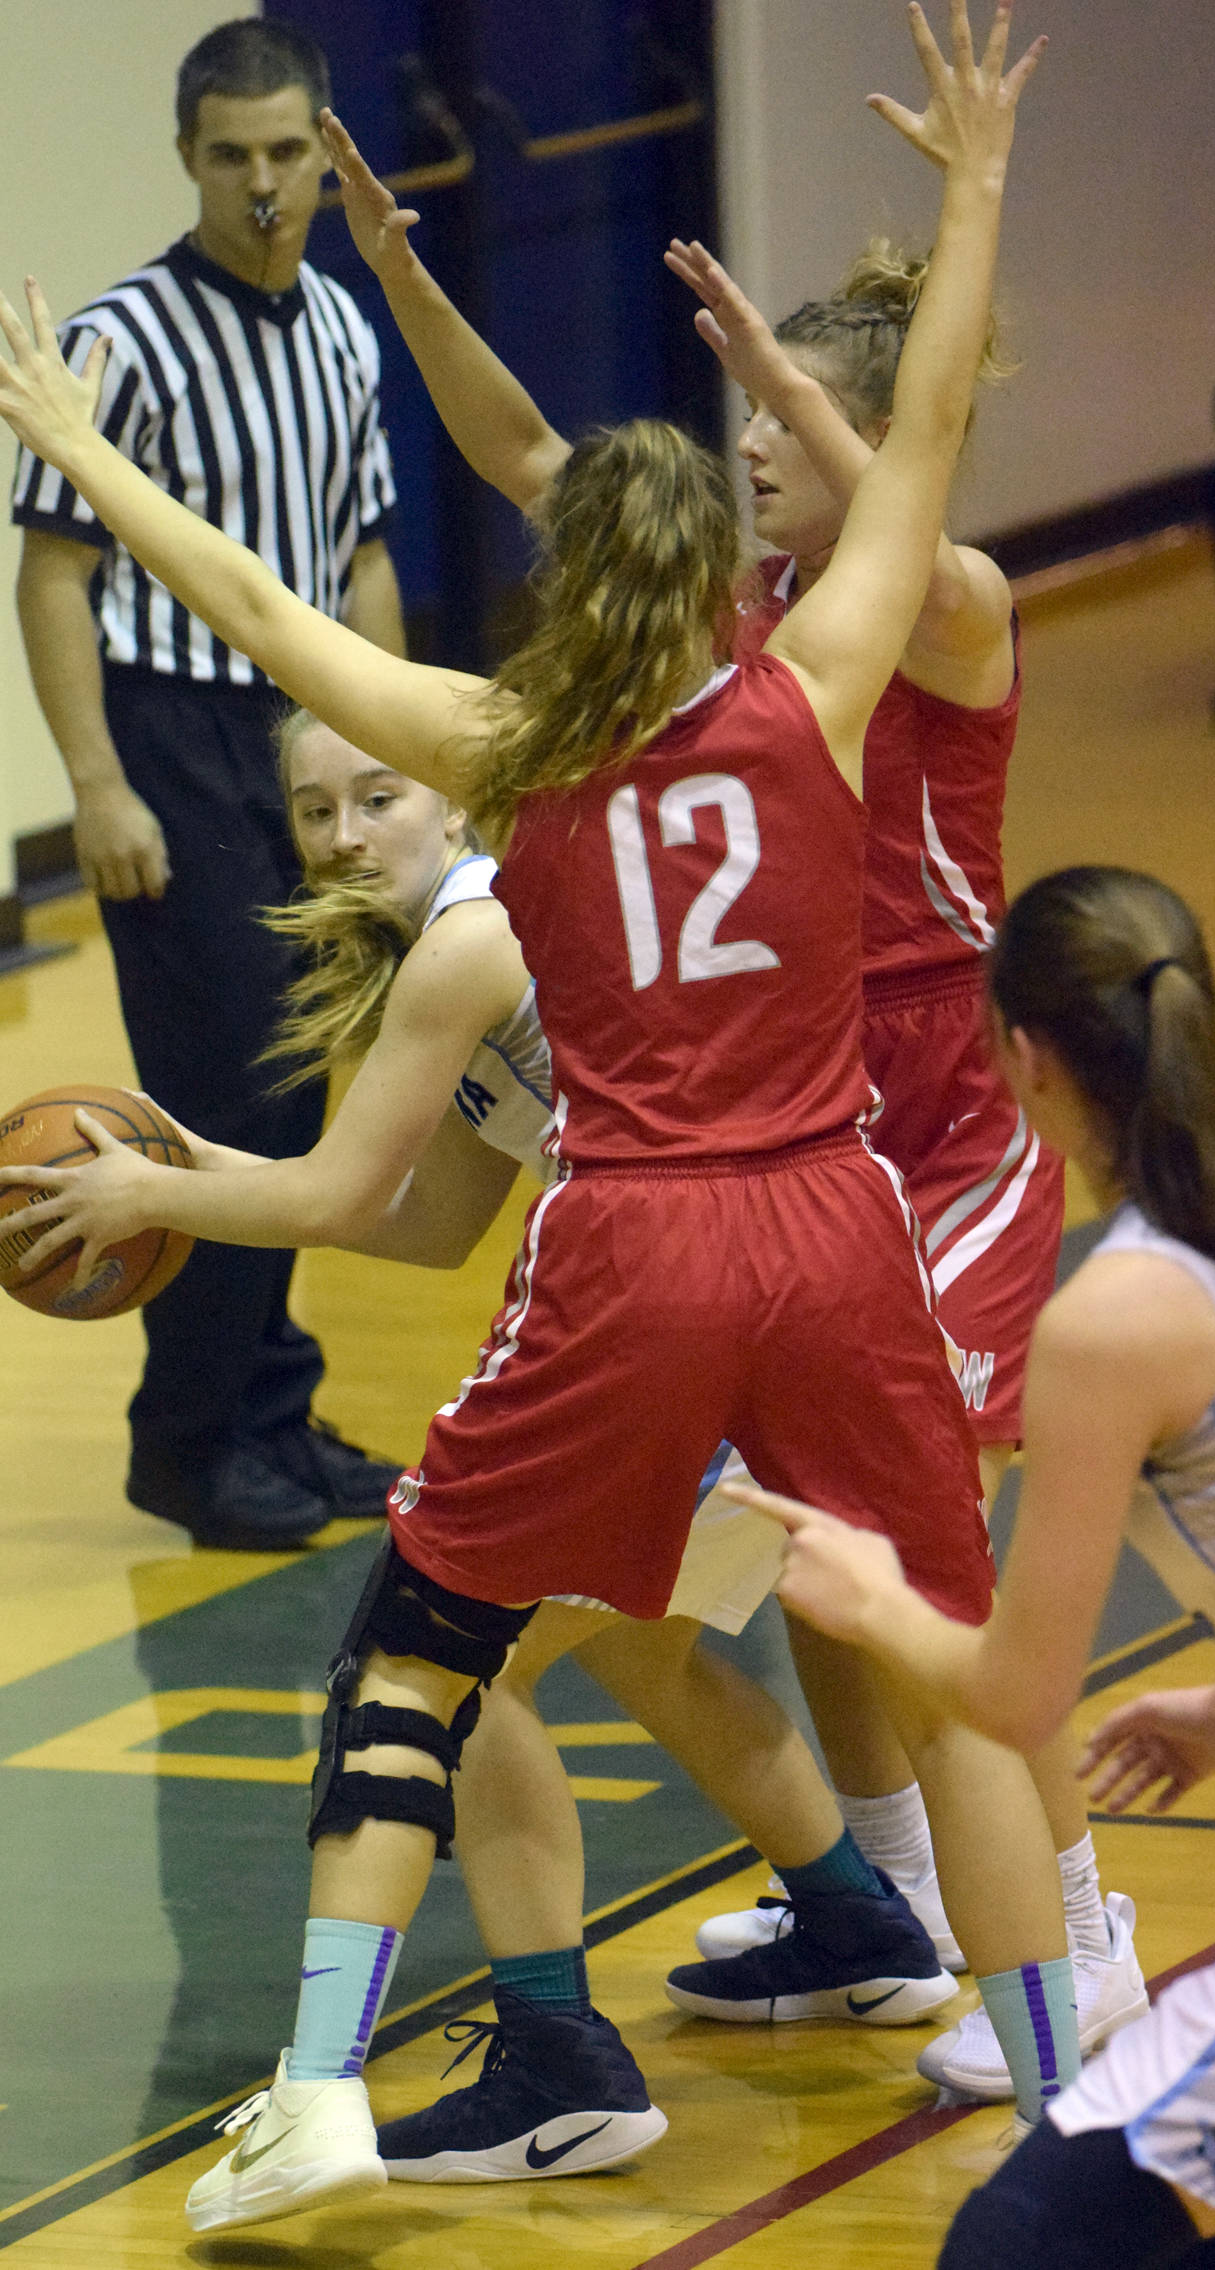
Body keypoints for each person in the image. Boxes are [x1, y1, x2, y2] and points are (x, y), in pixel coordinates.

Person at [0, 3, 1068, 2233]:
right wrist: (971, 190)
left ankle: (318, 2081)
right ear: (717, 580)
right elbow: (937, 421)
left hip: (639, 1231)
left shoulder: (500, 748)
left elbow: (260, 608)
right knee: (957, 1678)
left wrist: (83, 464)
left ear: (566, 574)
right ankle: (1069, 2098)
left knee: (421, 1637)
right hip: (830, 1214)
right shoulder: (817, 682)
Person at [314, 70, 1141, 2092]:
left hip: (919, 1168)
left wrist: (873, 316)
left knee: (891, 1592)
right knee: (817, 1576)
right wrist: (407, 281)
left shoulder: (923, 613)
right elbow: (526, 451)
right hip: (782, 1166)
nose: (750, 453)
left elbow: (916, 464)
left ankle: (1076, 1933)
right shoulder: (744, 630)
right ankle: (895, 1909)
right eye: (743, 428)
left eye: (774, 428)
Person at [7, 706, 957, 2179]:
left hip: (708, 1324)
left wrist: (153, 1204)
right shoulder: (477, 939)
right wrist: (192, 1172)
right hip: (786, 1305)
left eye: (377, 794)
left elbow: (328, 1204)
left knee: (462, 1678)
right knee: (633, 1643)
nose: (343, 835)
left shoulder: (484, 930)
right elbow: (421, 1218)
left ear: (456, 796)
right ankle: (853, 1918)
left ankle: (553, 2055)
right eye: (314, 812)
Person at [720, 862, 1215, 2266]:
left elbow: (1013, 1695)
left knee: (1011, 2252)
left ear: (1018, 1055)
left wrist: (875, 1600)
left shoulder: (1116, 1320)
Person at [9, 17, 406, 1548]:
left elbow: (364, 556)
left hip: (308, 744)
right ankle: (186, 1446)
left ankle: (273, 1413)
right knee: (225, 1085)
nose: (262, 183)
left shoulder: (346, 330)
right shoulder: (123, 338)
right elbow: (53, 576)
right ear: (188, 158)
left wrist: (394, 767)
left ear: (324, 153)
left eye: (287, 153)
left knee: (303, 1084)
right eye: (231, 155)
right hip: (170, 736)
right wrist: (97, 781)